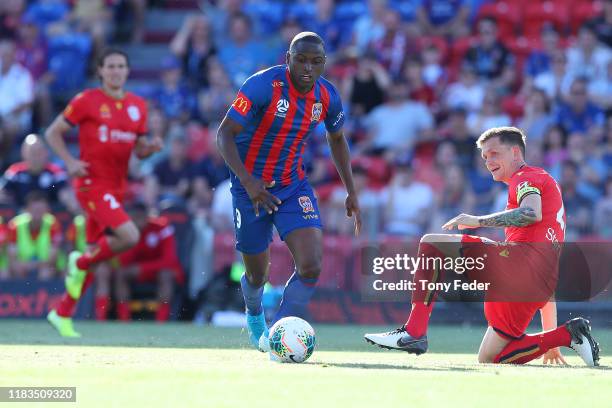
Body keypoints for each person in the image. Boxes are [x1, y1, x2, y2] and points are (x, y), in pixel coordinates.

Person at [364, 127, 600, 367]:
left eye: (494, 153)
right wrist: (551, 339)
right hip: (534, 283)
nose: (488, 162)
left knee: (432, 244)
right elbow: (546, 279)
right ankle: (569, 334)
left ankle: (414, 333)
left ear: (516, 153)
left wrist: (477, 221)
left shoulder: (526, 177)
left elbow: (531, 213)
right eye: (485, 157)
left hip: (517, 267)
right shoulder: (544, 187)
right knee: (489, 357)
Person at [216, 32, 361, 352]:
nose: (308, 67)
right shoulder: (262, 85)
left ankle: (278, 334)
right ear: (288, 59)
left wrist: (351, 190)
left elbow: (337, 139)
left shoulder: (327, 96)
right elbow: (225, 134)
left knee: (311, 265)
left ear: (324, 64)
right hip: (249, 188)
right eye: (301, 60)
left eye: (316, 61)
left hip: (292, 185)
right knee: (256, 275)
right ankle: (255, 314)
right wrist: (248, 182)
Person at [44, 49, 163, 337]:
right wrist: (70, 162)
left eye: (121, 66)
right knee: (128, 236)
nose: (115, 71)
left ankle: (61, 313)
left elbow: (139, 151)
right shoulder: (87, 100)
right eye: (110, 66)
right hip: (91, 184)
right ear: (100, 71)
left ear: (127, 71)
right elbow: (52, 133)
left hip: (116, 187)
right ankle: (79, 262)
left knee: (96, 254)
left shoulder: (138, 106)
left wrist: (150, 149)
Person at [113, 202, 184, 322]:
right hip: (135, 272)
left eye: (140, 216)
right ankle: (124, 320)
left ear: (147, 216)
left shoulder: (162, 227)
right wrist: (134, 236)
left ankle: (161, 321)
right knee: (120, 274)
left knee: (166, 274)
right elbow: (121, 261)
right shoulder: (124, 231)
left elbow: (169, 261)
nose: (138, 220)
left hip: (156, 271)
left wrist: (141, 268)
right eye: (134, 218)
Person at [6, 191, 62, 281]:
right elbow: (12, 257)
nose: (38, 213)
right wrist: (24, 266)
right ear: (27, 209)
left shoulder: (53, 224)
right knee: (14, 270)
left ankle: (43, 295)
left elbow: (52, 258)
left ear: (47, 210)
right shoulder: (14, 225)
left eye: (41, 210)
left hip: (46, 266)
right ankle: (21, 294)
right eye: (35, 210)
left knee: (46, 272)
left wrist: (34, 265)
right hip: (23, 267)